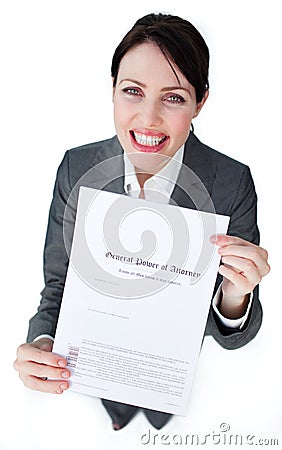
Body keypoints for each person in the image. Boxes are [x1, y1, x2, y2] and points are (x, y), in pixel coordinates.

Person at [14, 12, 270, 430]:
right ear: (112, 89)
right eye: (132, 91)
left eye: (173, 98)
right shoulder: (77, 169)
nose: (149, 119)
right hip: (87, 383)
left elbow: (236, 332)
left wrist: (236, 295)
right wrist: (42, 344)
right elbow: (59, 284)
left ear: (200, 102)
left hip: (188, 389)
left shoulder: (231, 183)